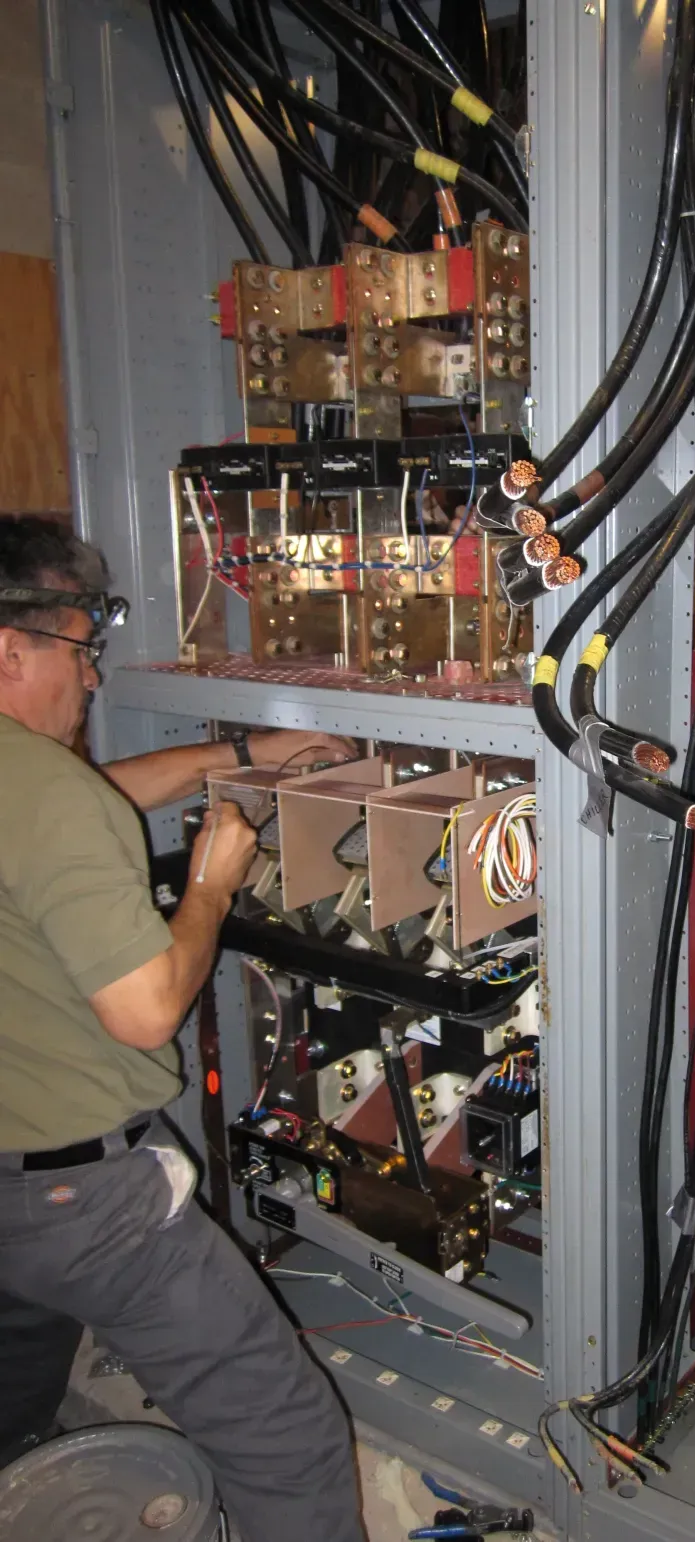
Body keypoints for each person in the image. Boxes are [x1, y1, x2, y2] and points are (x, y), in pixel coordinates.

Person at [0, 517, 366, 1542]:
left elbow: (78, 811)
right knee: (287, 1433)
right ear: (11, 647)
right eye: (83, 650)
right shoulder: (43, 794)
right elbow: (151, 1008)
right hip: (85, 1201)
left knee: (16, 1371)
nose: (95, 682)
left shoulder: (30, 788)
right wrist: (208, 889)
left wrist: (244, 754)